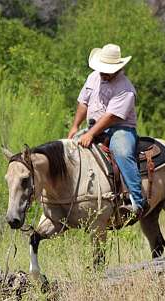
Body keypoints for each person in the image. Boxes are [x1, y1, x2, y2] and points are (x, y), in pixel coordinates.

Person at [67, 43, 148, 216]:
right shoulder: (93, 77)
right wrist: (75, 126)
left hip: (120, 129)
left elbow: (111, 116)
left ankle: (137, 200)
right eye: (101, 69)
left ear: (117, 69)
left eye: (106, 70)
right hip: (94, 126)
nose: (103, 73)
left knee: (122, 152)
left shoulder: (126, 89)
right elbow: (84, 102)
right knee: (69, 150)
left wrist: (90, 133)